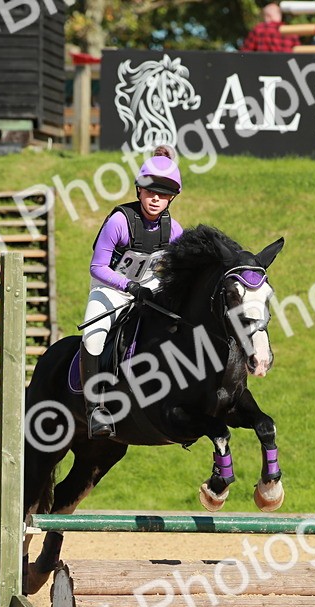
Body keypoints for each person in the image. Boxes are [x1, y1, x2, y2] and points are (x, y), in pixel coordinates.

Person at [81, 146, 184, 437]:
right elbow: (97, 267)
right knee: (93, 335)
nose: (155, 199)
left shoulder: (174, 230)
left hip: (148, 289)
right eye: (150, 191)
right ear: (139, 190)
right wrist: (129, 286)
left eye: (163, 195)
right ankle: (94, 410)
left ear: (171, 199)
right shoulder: (120, 221)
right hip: (111, 287)